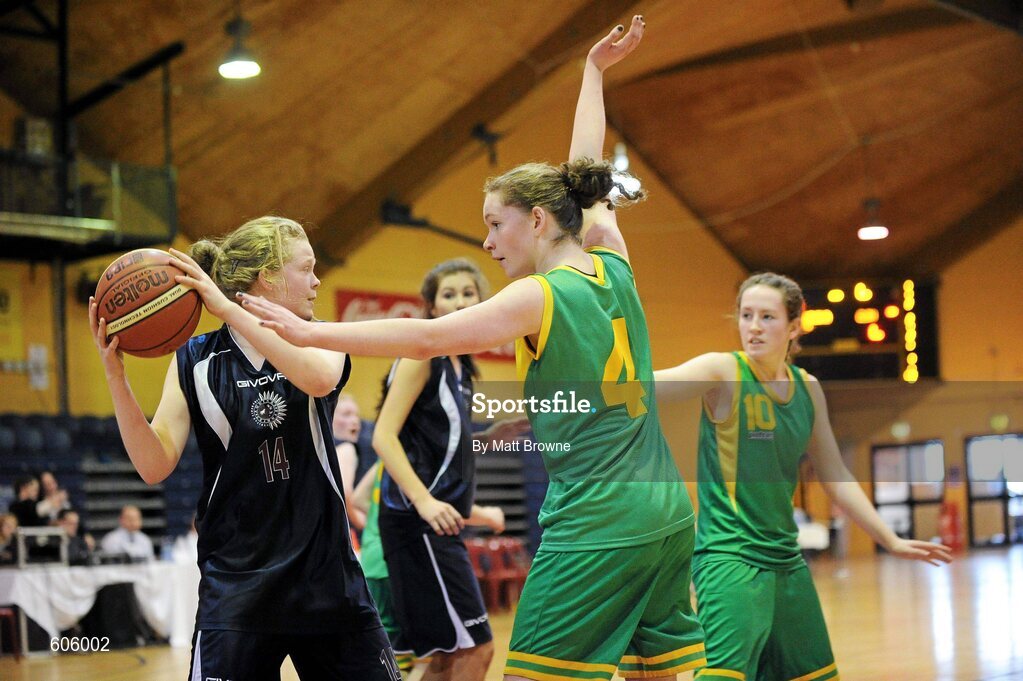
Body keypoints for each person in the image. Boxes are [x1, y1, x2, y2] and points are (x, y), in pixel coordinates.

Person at [243, 17, 706, 681]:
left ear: (538, 220)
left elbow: (428, 334)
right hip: (664, 514)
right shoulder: (613, 259)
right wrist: (592, 73)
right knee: (656, 674)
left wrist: (309, 331)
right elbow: (588, 177)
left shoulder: (539, 297)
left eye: (496, 224)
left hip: (597, 523)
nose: (488, 242)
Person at [90, 215, 398, 681]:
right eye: (306, 267)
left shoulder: (322, 337)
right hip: (236, 586)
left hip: (326, 577)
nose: (317, 280)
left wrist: (231, 310)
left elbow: (317, 379)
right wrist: (116, 376)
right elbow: (154, 465)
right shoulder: (193, 360)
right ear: (267, 277)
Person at [653, 272, 953, 681]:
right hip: (729, 558)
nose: (753, 327)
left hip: (787, 561)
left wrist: (889, 538)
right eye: (745, 315)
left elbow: (835, 475)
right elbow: (651, 386)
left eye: (767, 317)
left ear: (794, 326)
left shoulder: (807, 389)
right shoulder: (723, 371)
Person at [372, 258, 511, 681]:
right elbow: (383, 437)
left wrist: (489, 436)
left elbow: (437, 439)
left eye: (468, 293)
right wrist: (425, 501)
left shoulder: (462, 366)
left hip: (441, 526)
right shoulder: (422, 355)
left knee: (448, 655)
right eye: (448, 295)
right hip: (419, 525)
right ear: (431, 308)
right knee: (477, 650)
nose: (459, 301)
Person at [334, 394, 367, 530]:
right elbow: (344, 491)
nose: (354, 421)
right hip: (348, 531)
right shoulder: (347, 449)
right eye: (346, 415)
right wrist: (362, 523)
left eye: (356, 416)